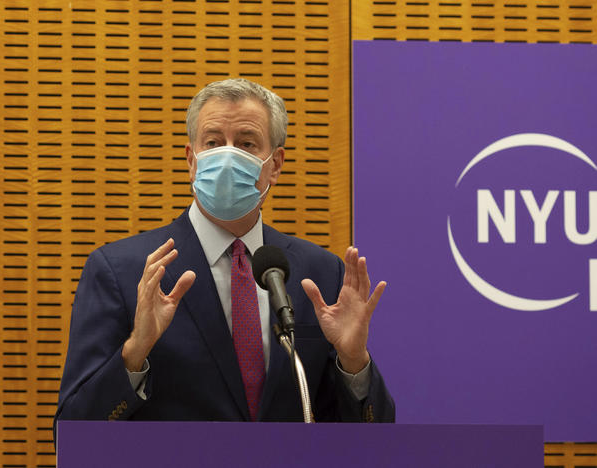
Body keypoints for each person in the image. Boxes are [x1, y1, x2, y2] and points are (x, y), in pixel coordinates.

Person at [54, 78, 394, 430]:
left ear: (275, 165)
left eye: (246, 144)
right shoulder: (123, 271)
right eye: (213, 143)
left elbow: (374, 436)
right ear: (192, 160)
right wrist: (135, 352)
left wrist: (354, 362)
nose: (228, 156)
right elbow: (74, 429)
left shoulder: (319, 273)